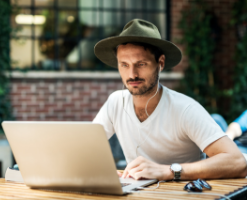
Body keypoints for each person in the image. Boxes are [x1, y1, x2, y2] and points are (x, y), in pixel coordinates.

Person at [93, 19, 247, 181]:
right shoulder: (115, 103)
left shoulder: (185, 109)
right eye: (124, 65)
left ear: (160, 63)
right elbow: (83, 148)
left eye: (141, 64)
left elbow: (237, 162)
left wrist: (169, 171)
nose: (132, 74)